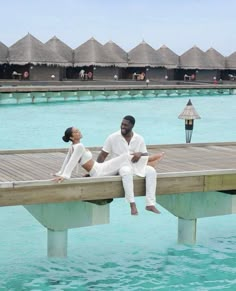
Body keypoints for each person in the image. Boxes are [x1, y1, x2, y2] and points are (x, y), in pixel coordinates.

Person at [53, 127, 164, 213]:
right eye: (76, 131)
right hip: (99, 172)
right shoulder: (79, 146)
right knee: (125, 157)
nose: (79, 132)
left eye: (78, 130)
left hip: (99, 168)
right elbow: (71, 162)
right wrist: (65, 175)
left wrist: (60, 173)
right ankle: (149, 159)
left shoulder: (73, 146)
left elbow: (66, 161)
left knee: (124, 159)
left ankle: (147, 162)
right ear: (72, 137)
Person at [96, 115, 164, 215]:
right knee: (125, 171)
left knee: (151, 171)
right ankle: (132, 204)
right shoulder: (112, 137)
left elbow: (145, 154)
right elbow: (102, 155)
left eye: (125, 125)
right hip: (120, 167)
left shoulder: (139, 138)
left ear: (132, 126)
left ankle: (150, 204)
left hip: (136, 166)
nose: (123, 126)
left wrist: (140, 154)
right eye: (122, 124)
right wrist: (96, 170)